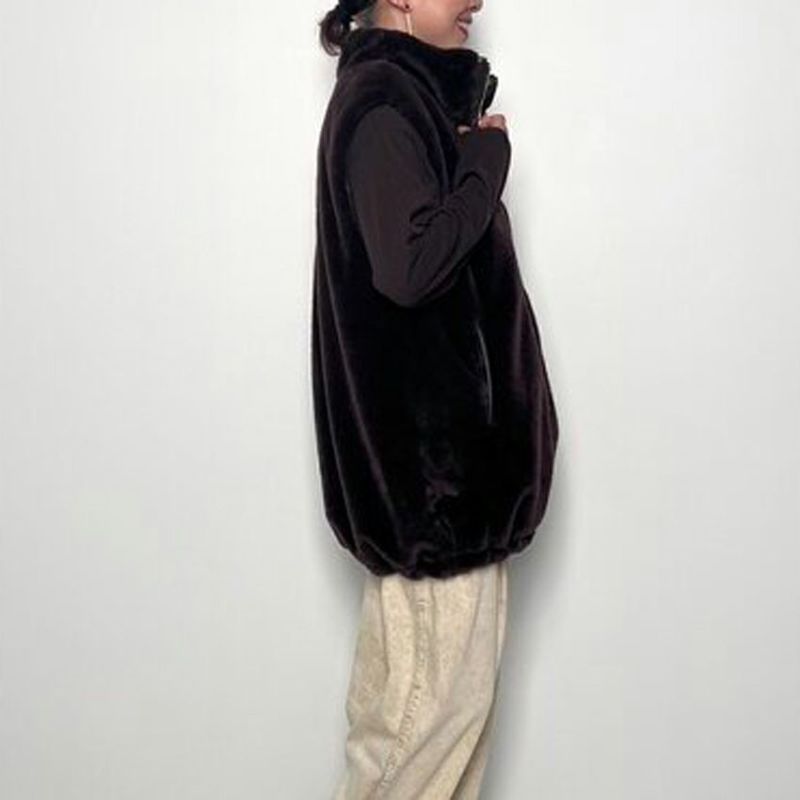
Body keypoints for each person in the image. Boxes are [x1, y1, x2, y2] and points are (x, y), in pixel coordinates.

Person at [312, 1, 559, 796]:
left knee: (426, 749)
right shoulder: (385, 105)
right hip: (437, 503)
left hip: (445, 502)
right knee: (416, 751)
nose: (476, 0)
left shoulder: (405, 100)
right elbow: (410, 266)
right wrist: (484, 164)